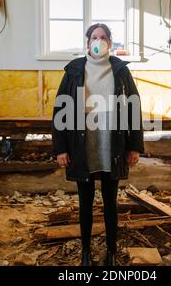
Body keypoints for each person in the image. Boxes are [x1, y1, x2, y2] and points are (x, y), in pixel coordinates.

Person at [52, 23, 144, 266]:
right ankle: (85, 252)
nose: (99, 41)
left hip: (111, 146)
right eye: (95, 37)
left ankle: (111, 252)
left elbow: (134, 106)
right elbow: (61, 107)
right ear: (87, 42)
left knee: (110, 203)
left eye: (103, 37)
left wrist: (134, 145)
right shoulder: (73, 70)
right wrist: (60, 148)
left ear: (110, 43)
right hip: (82, 146)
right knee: (85, 202)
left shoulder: (120, 70)